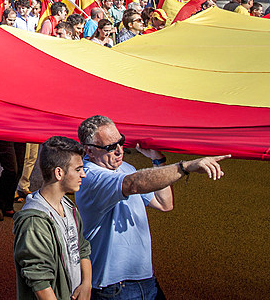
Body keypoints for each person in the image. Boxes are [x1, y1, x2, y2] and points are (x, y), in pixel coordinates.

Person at [75, 115, 229, 299]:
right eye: (110, 147)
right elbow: (134, 184)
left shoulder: (126, 168)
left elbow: (165, 204)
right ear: (90, 151)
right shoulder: (90, 177)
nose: (119, 151)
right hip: (112, 287)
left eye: (121, 142)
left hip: (146, 279)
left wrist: (157, 160)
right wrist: (185, 166)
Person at [13, 136, 92, 300]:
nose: (83, 174)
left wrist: (87, 284)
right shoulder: (34, 222)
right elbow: (39, 280)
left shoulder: (68, 206)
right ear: (59, 173)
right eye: (78, 169)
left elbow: (82, 247)